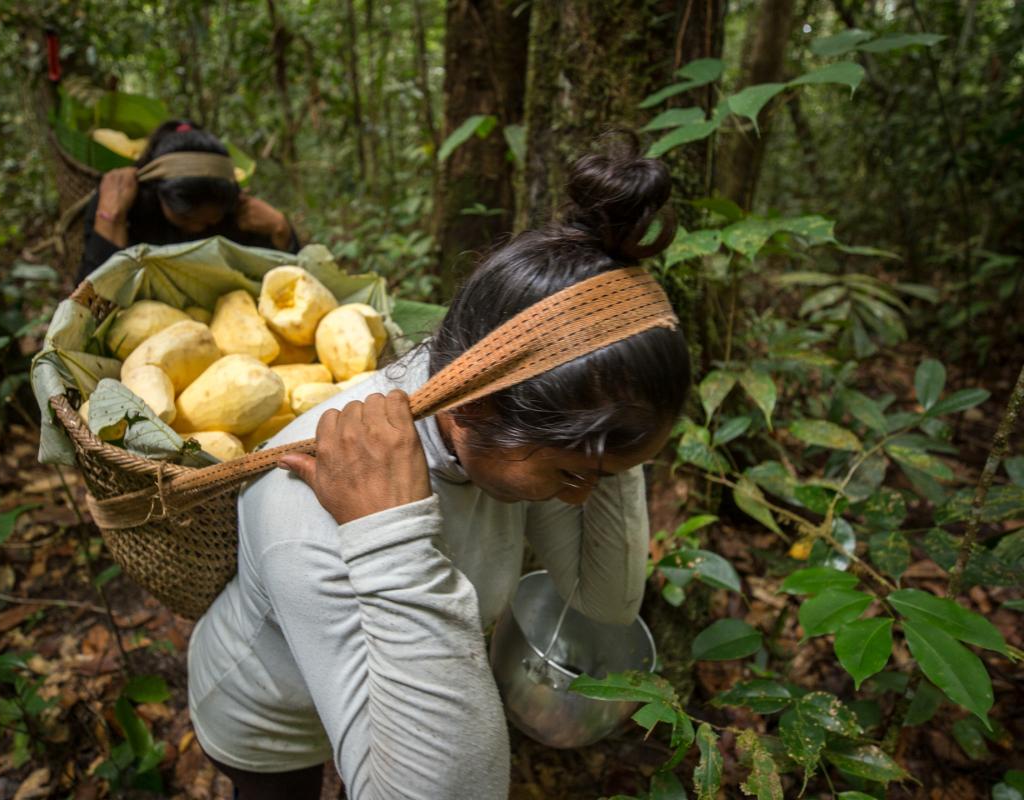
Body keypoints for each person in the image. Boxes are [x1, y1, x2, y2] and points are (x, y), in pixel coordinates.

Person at [187, 135, 690, 800]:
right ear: (480, 405)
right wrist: (391, 534)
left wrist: (616, 440)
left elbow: (606, 603)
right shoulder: (307, 502)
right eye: (573, 474)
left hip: (383, 706)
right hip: (269, 719)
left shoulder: (511, 427)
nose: (577, 499)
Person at [78, 120, 300, 281]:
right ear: (157, 192)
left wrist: (282, 230)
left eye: (209, 222)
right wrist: (110, 220)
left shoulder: (236, 215)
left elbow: (291, 281)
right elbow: (88, 300)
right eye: (185, 217)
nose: (196, 227)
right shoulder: (122, 206)